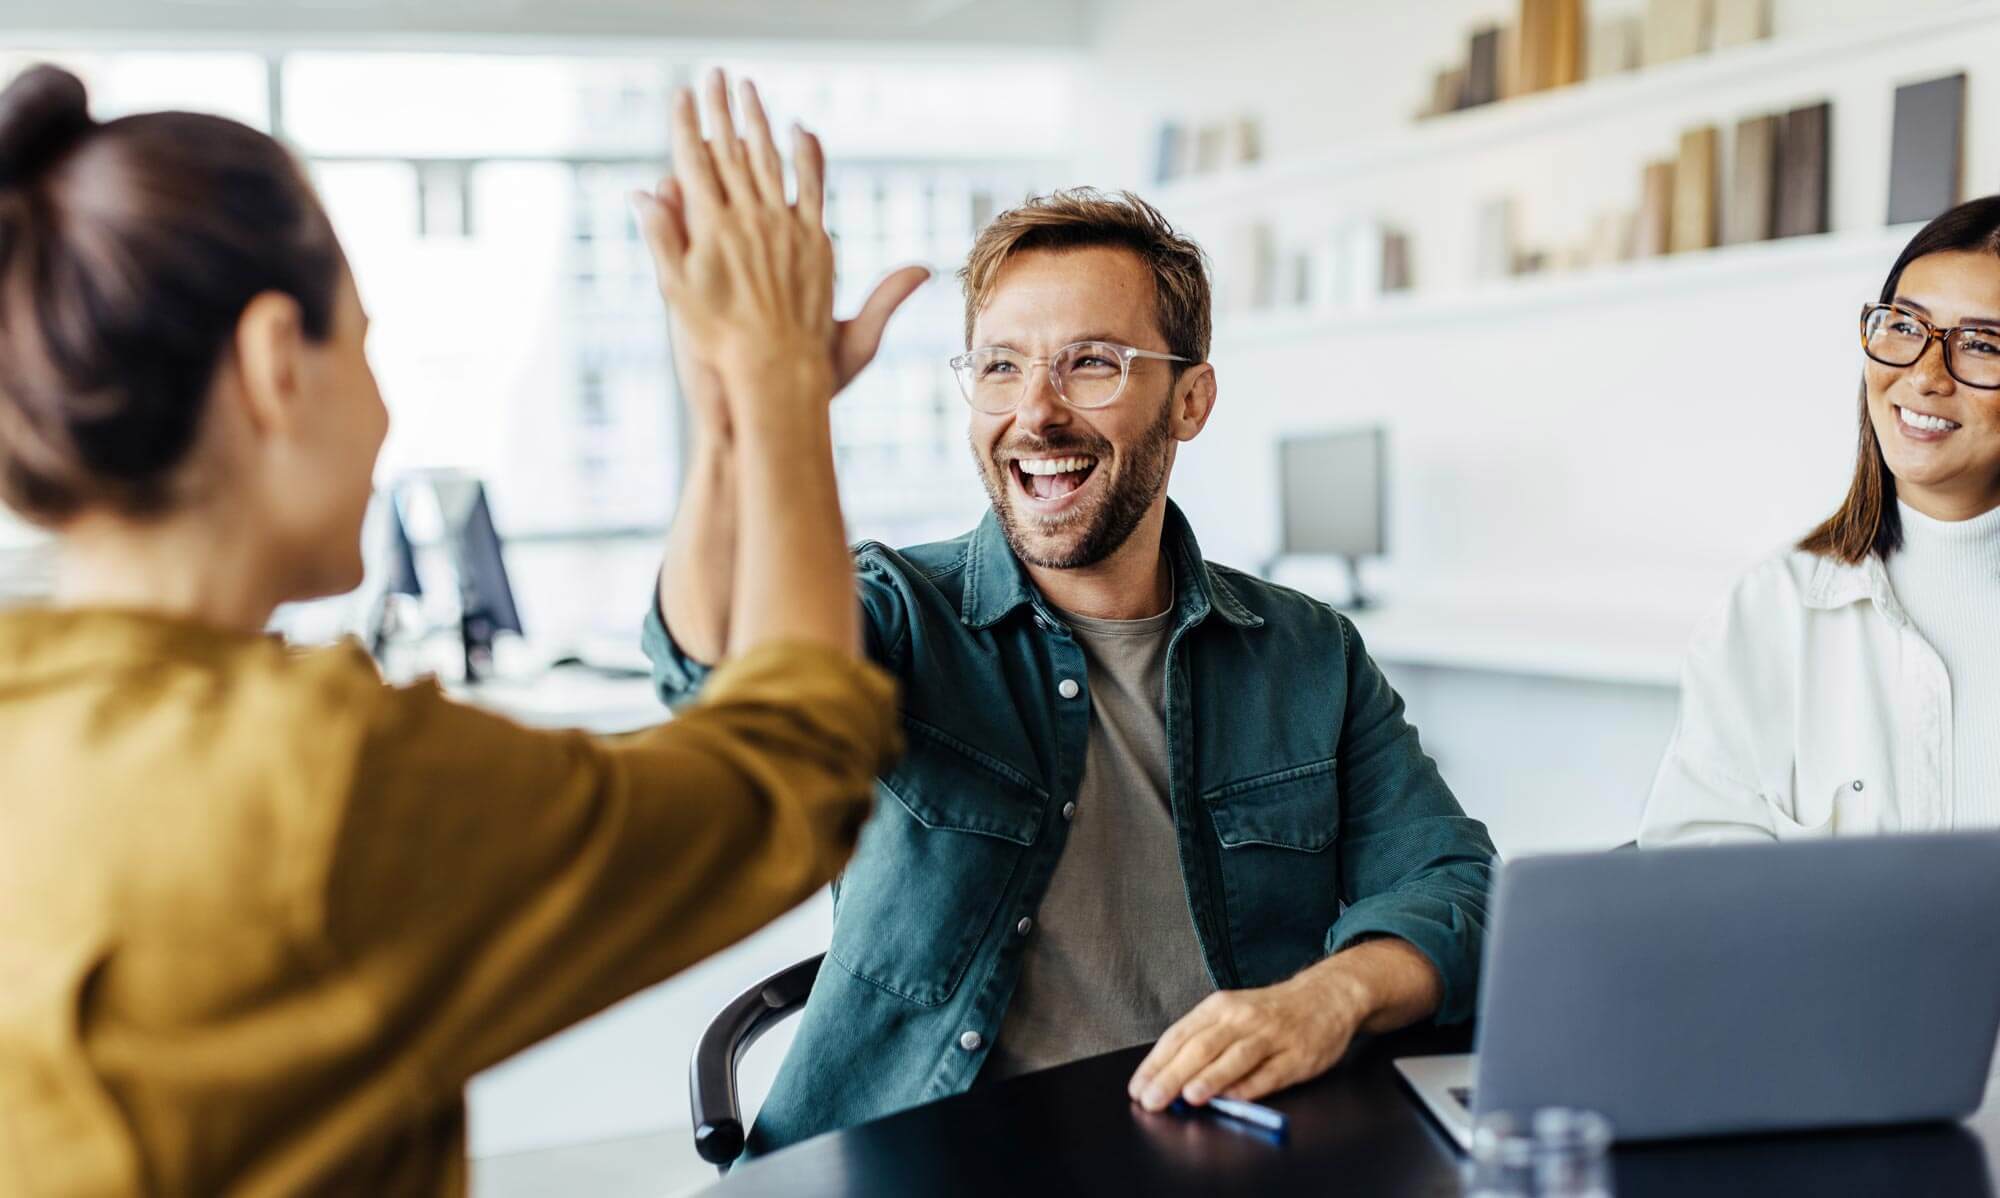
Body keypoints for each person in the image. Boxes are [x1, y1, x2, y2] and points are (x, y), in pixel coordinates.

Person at [0, 65, 903, 1194]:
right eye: (365, 346)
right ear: (277, 362)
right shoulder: (311, 779)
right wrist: (775, 388)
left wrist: (734, 421)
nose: (383, 416)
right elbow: (792, 771)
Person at [647, 184, 1498, 1158]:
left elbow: (1455, 886)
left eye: (1091, 363)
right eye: (1001, 366)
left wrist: (1329, 996)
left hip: (1205, 1155)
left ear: (1190, 400)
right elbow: (711, 668)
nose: (1035, 413)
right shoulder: (894, 613)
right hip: (913, 1162)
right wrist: (744, 414)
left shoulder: (1304, 651)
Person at [1640, 196, 2000, 846]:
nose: (1923, 375)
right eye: (1905, 327)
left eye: (1981, 344)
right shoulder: (1769, 610)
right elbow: (1697, 885)